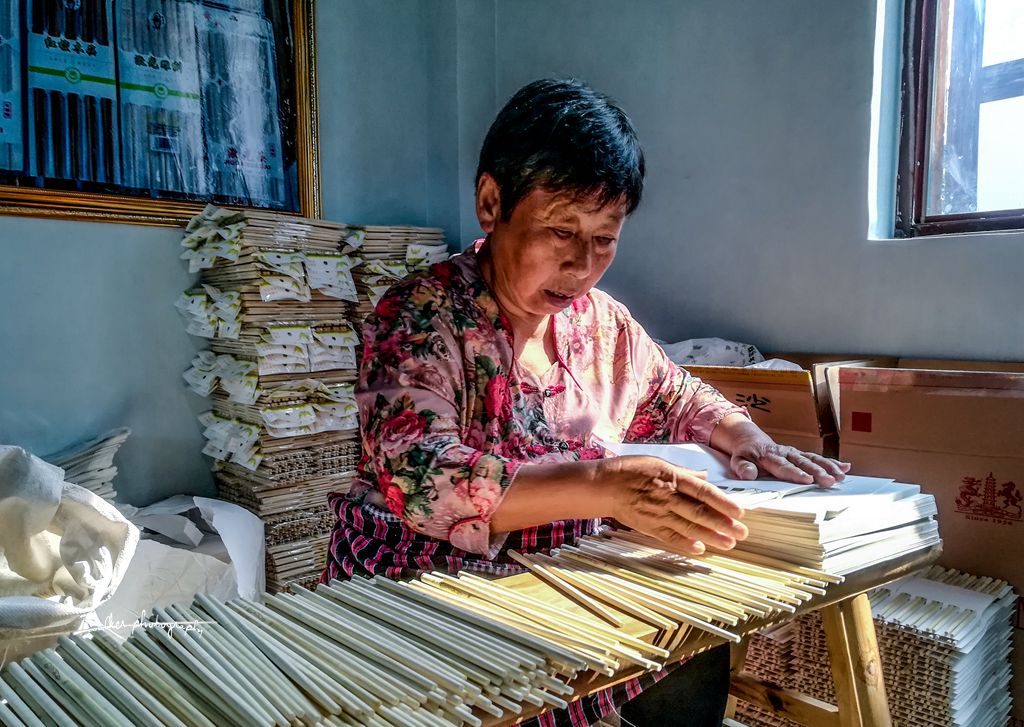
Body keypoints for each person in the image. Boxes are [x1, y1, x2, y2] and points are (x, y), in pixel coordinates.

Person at [323, 78, 849, 727]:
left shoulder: (601, 323)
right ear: (491, 202)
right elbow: (422, 475)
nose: (581, 264)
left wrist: (745, 437)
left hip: (557, 579)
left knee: (697, 635)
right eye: (560, 230)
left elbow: (676, 392)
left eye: (605, 238)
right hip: (423, 592)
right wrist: (605, 486)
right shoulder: (421, 316)